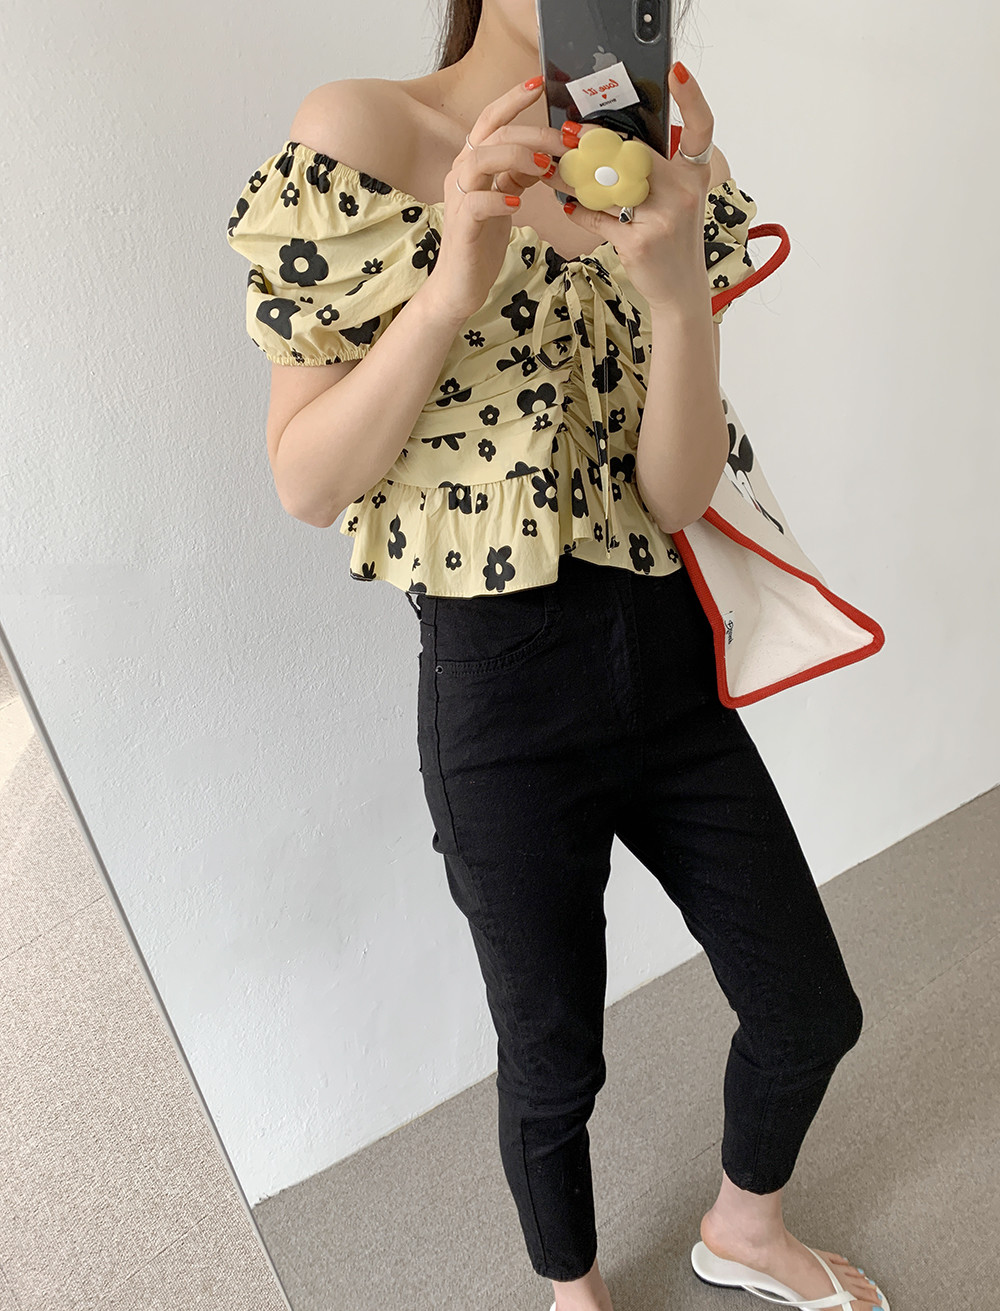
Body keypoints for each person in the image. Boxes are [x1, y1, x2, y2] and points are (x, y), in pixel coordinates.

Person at [225, 3, 888, 1310]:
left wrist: (679, 301)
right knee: (551, 1059)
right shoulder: (364, 129)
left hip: (667, 662)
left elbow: (678, 491)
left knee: (810, 1004)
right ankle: (570, 1293)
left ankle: (744, 1228)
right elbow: (307, 482)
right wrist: (448, 288)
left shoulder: (663, 150)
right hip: (500, 691)